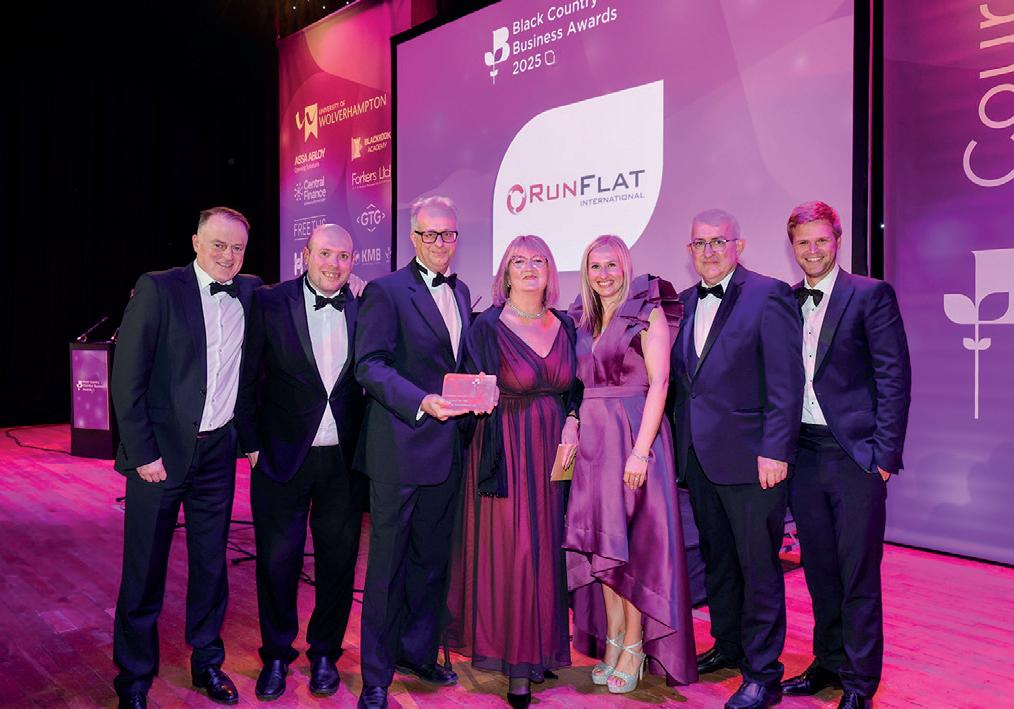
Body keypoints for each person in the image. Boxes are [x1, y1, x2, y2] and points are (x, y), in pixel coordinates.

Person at [110, 207, 262, 708]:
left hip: (218, 453)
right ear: (196, 242)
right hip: (159, 455)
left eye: (237, 247)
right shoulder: (158, 288)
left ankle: (207, 663)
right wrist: (142, 453)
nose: (228, 256)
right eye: (218, 244)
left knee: (211, 566)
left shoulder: (250, 291)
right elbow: (126, 378)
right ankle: (134, 677)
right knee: (144, 569)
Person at [669, 209, 804, 709]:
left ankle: (764, 674)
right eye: (699, 243)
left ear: (738, 246)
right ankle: (728, 645)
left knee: (758, 567)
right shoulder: (683, 303)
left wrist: (776, 450)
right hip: (699, 458)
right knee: (719, 561)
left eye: (718, 242)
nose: (708, 252)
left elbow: (787, 382)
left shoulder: (769, 295)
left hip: (753, 460)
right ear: (689, 251)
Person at [780, 202, 911, 709]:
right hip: (804, 455)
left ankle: (859, 681)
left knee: (858, 572)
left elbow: (894, 377)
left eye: (821, 240)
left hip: (856, 456)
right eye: (803, 242)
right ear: (792, 247)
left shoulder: (870, 294)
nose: (812, 250)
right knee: (819, 569)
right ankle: (829, 662)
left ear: (837, 240)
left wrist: (884, 457)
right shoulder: (786, 301)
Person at [446, 235, 579, 708]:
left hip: (553, 452)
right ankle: (517, 665)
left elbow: (575, 387)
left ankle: (540, 648)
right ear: (505, 273)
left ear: (550, 270)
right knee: (516, 551)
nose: (529, 268)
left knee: (546, 549)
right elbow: (468, 387)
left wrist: (573, 418)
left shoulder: (565, 323)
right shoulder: (486, 326)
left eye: (538, 260)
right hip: (504, 450)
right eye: (518, 261)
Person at [233, 224, 366, 701]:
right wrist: (250, 444)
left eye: (344, 256)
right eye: (325, 253)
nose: (334, 264)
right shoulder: (270, 302)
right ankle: (275, 653)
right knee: (276, 561)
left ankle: (325, 652)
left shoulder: (365, 306)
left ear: (353, 262)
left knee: (339, 563)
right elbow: (247, 375)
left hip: (344, 462)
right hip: (279, 457)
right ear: (306, 255)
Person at [354, 196, 476, 709]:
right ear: (413, 237)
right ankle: (375, 677)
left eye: (448, 234)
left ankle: (417, 652)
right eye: (430, 234)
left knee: (431, 562)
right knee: (387, 568)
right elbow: (369, 365)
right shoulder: (385, 291)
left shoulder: (462, 290)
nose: (440, 243)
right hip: (399, 449)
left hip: (447, 451)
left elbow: (456, 363)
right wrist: (419, 401)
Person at [564, 235, 697, 694]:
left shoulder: (647, 309)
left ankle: (635, 645)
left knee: (635, 546)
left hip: (635, 436)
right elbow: (578, 387)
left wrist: (641, 451)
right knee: (603, 546)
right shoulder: (583, 318)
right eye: (595, 266)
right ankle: (615, 638)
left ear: (625, 266)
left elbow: (660, 383)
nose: (603, 274)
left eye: (611, 265)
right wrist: (572, 423)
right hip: (594, 446)